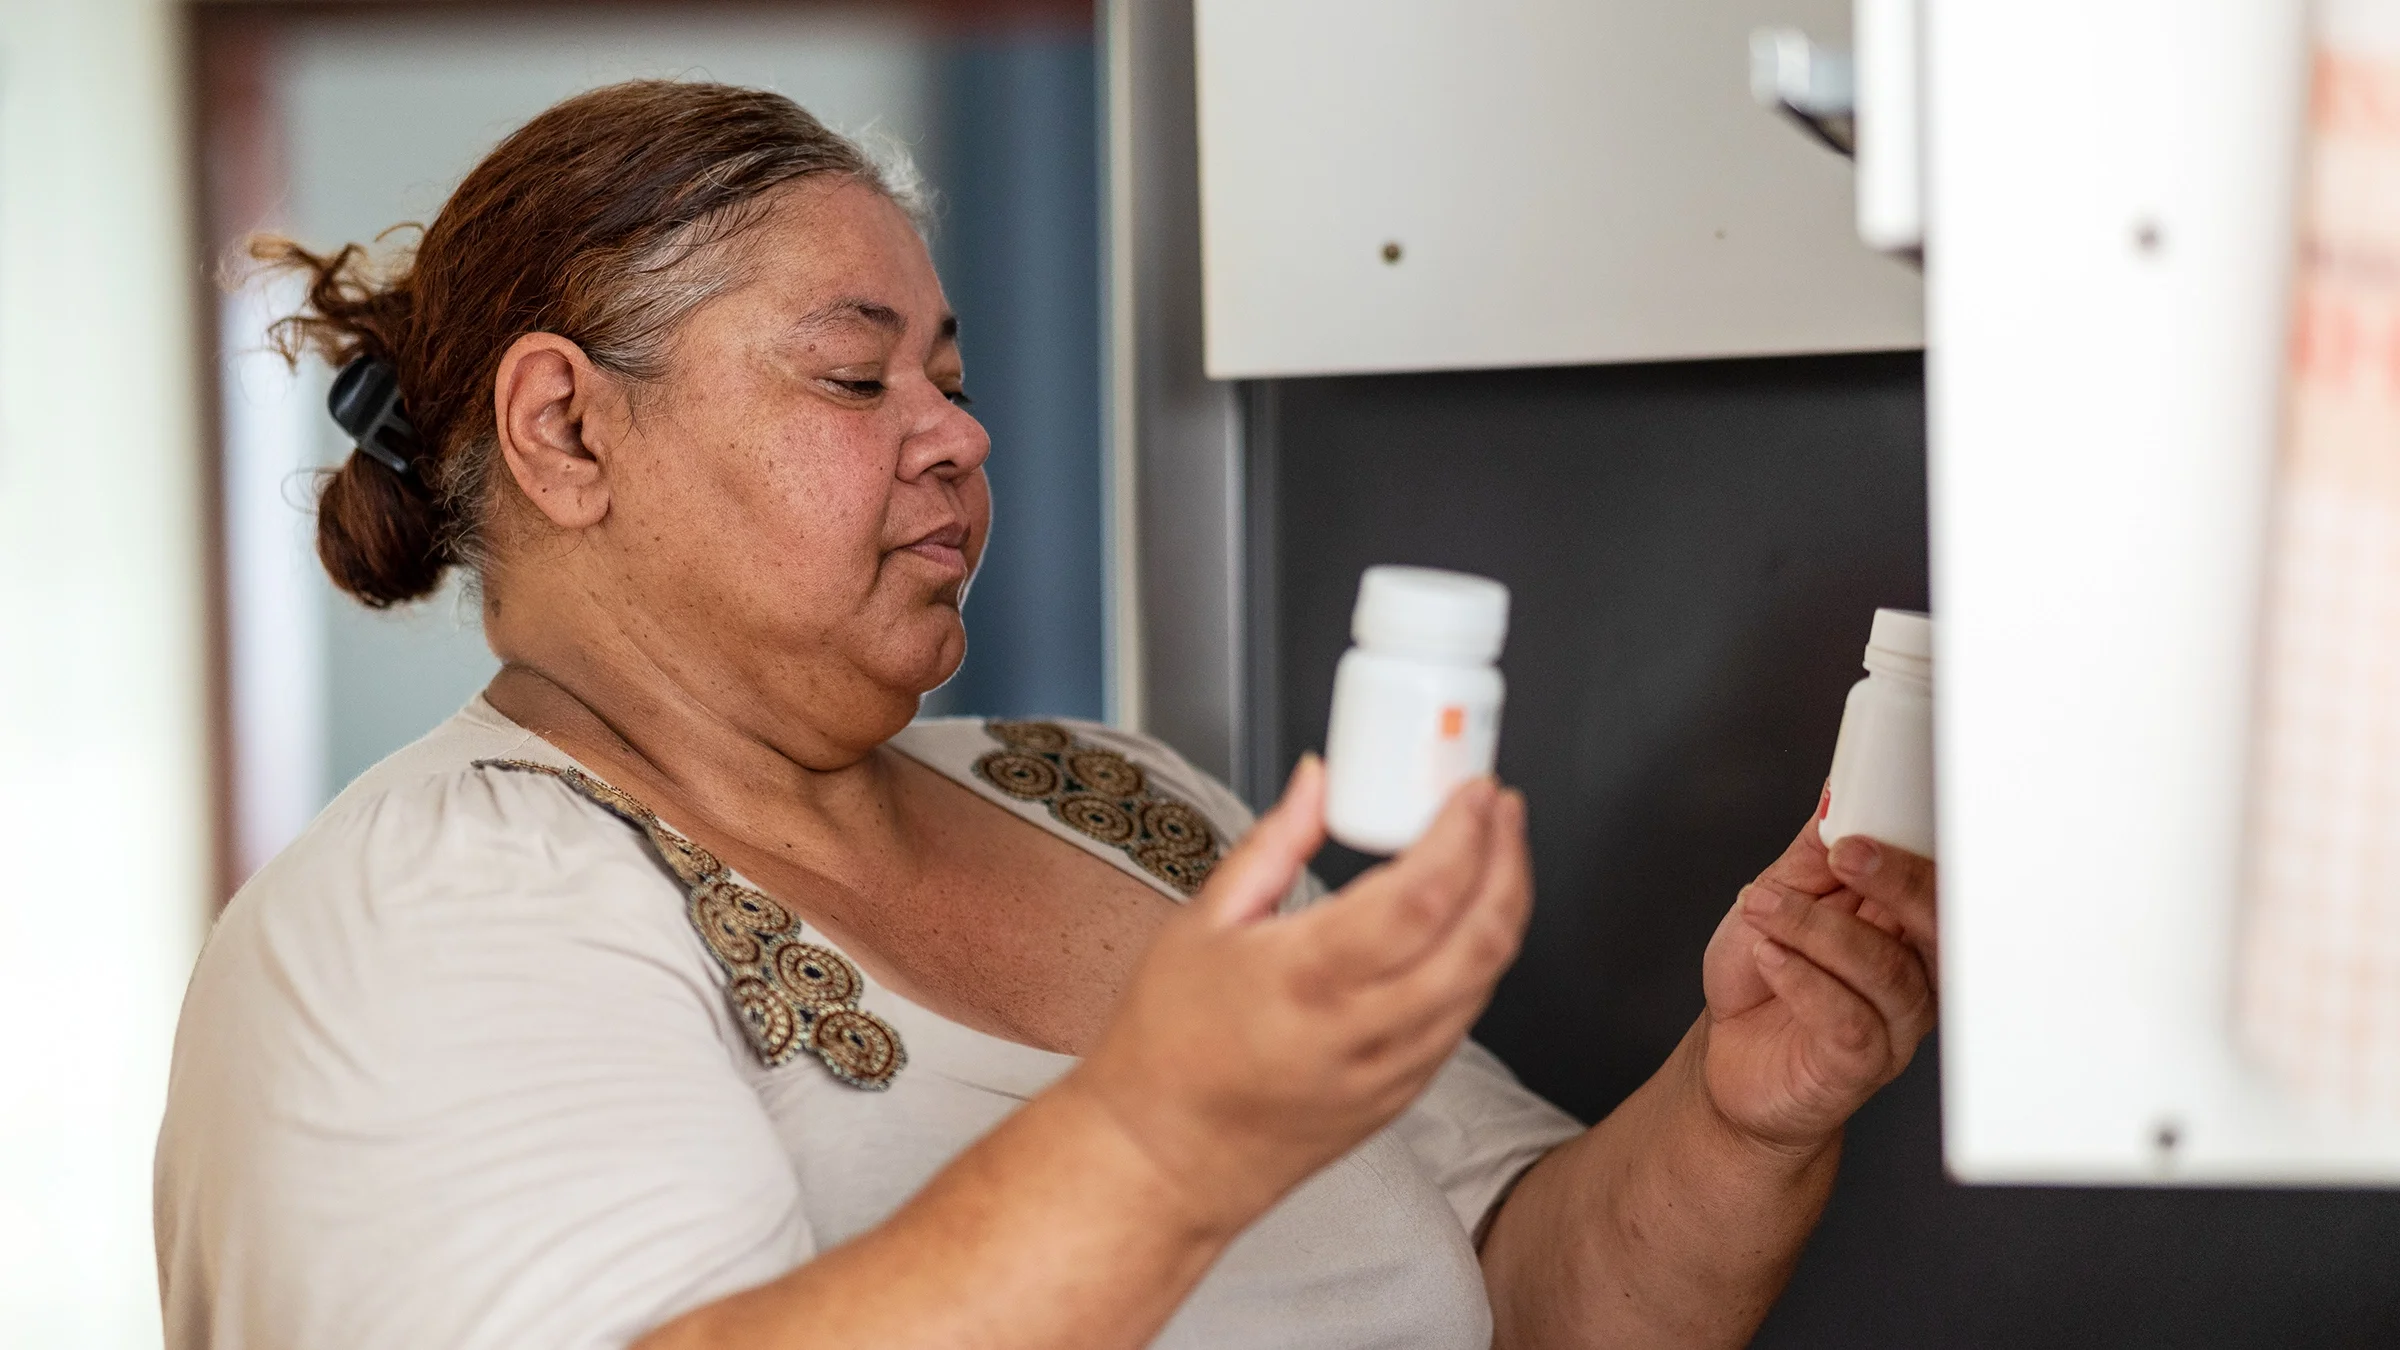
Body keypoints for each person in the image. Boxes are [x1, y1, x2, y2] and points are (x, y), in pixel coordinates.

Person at [154, 81, 1940, 1350]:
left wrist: (1743, 1107)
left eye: (952, 372)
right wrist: (1162, 1139)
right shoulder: (424, 918)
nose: (957, 432)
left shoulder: (1104, 794)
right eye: (855, 375)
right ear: (565, 433)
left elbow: (1524, 1299)